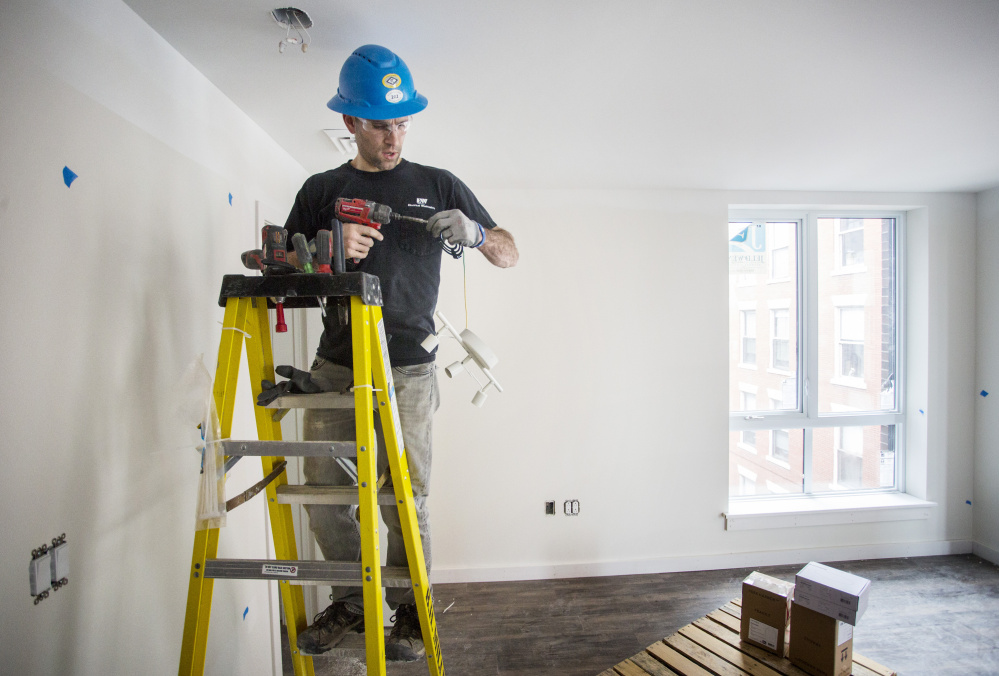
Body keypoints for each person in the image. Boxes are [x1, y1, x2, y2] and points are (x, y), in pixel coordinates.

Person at [282, 44, 518, 661]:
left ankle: (411, 611)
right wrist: (328, 250)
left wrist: (477, 232)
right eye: (381, 124)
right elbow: (286, 280)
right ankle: (355, 602)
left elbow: (509, 251)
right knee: (325, 491)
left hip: (409, 367)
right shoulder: (321, 189)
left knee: (403, 497)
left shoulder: (437, 184)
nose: (394, 137)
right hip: (337, 365)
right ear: (351, 123)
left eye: (402, 122)